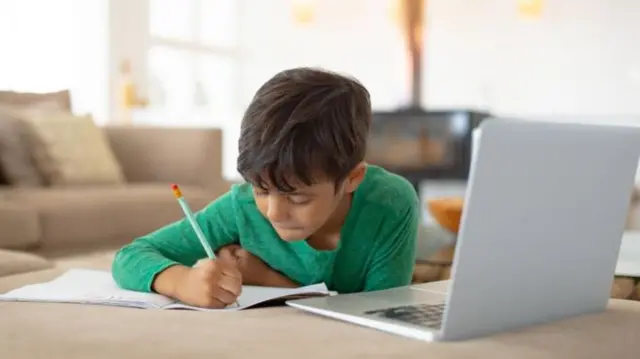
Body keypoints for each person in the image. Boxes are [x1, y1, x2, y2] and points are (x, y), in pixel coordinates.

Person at [111, 67, 420, 309]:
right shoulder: (241, 207)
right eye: (260, 190)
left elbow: (382, 311)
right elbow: (130, 256)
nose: (273, 212)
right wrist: (182, 282)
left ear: (352, 179)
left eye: (297, 197)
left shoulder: (390, 203)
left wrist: (269, 280)